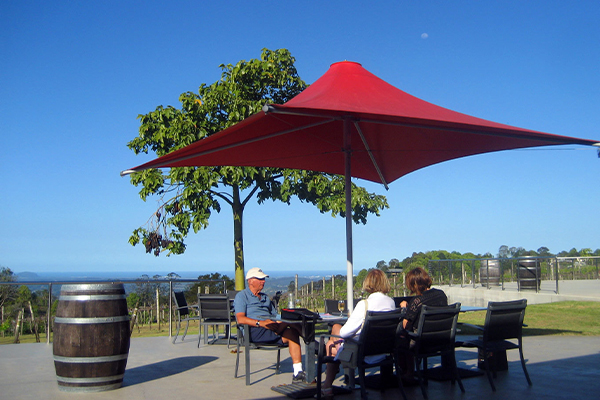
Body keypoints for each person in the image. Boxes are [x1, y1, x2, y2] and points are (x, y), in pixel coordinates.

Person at [320, 269, 395, 398]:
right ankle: (328, 384)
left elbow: (344, 333)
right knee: (335, 336)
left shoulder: (364, 305)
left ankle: (327, 384)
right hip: (383, 352)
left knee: (331, 343)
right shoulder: (391, 302)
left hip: (363, 353)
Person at [234, 267, 306, 383]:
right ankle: (311, 341)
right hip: (254, 331)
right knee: (291, 322)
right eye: (260, 279)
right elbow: (240, 319)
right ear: (250, 280)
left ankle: (297, 372)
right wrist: (260, 323)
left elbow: (275, 315)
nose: (263, 281)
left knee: (291, 329)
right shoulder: (242, 297)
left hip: (271, 328)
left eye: (263, 279)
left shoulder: (265, 297)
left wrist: (279, 320)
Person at [398, 267, 448, 382]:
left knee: (400, 340)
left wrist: (405, 309)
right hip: (442, 340)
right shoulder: (441, 295)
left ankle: (407, 373)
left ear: (413, 284)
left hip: (422, 343)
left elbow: (406, 326)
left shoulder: (417, 301)